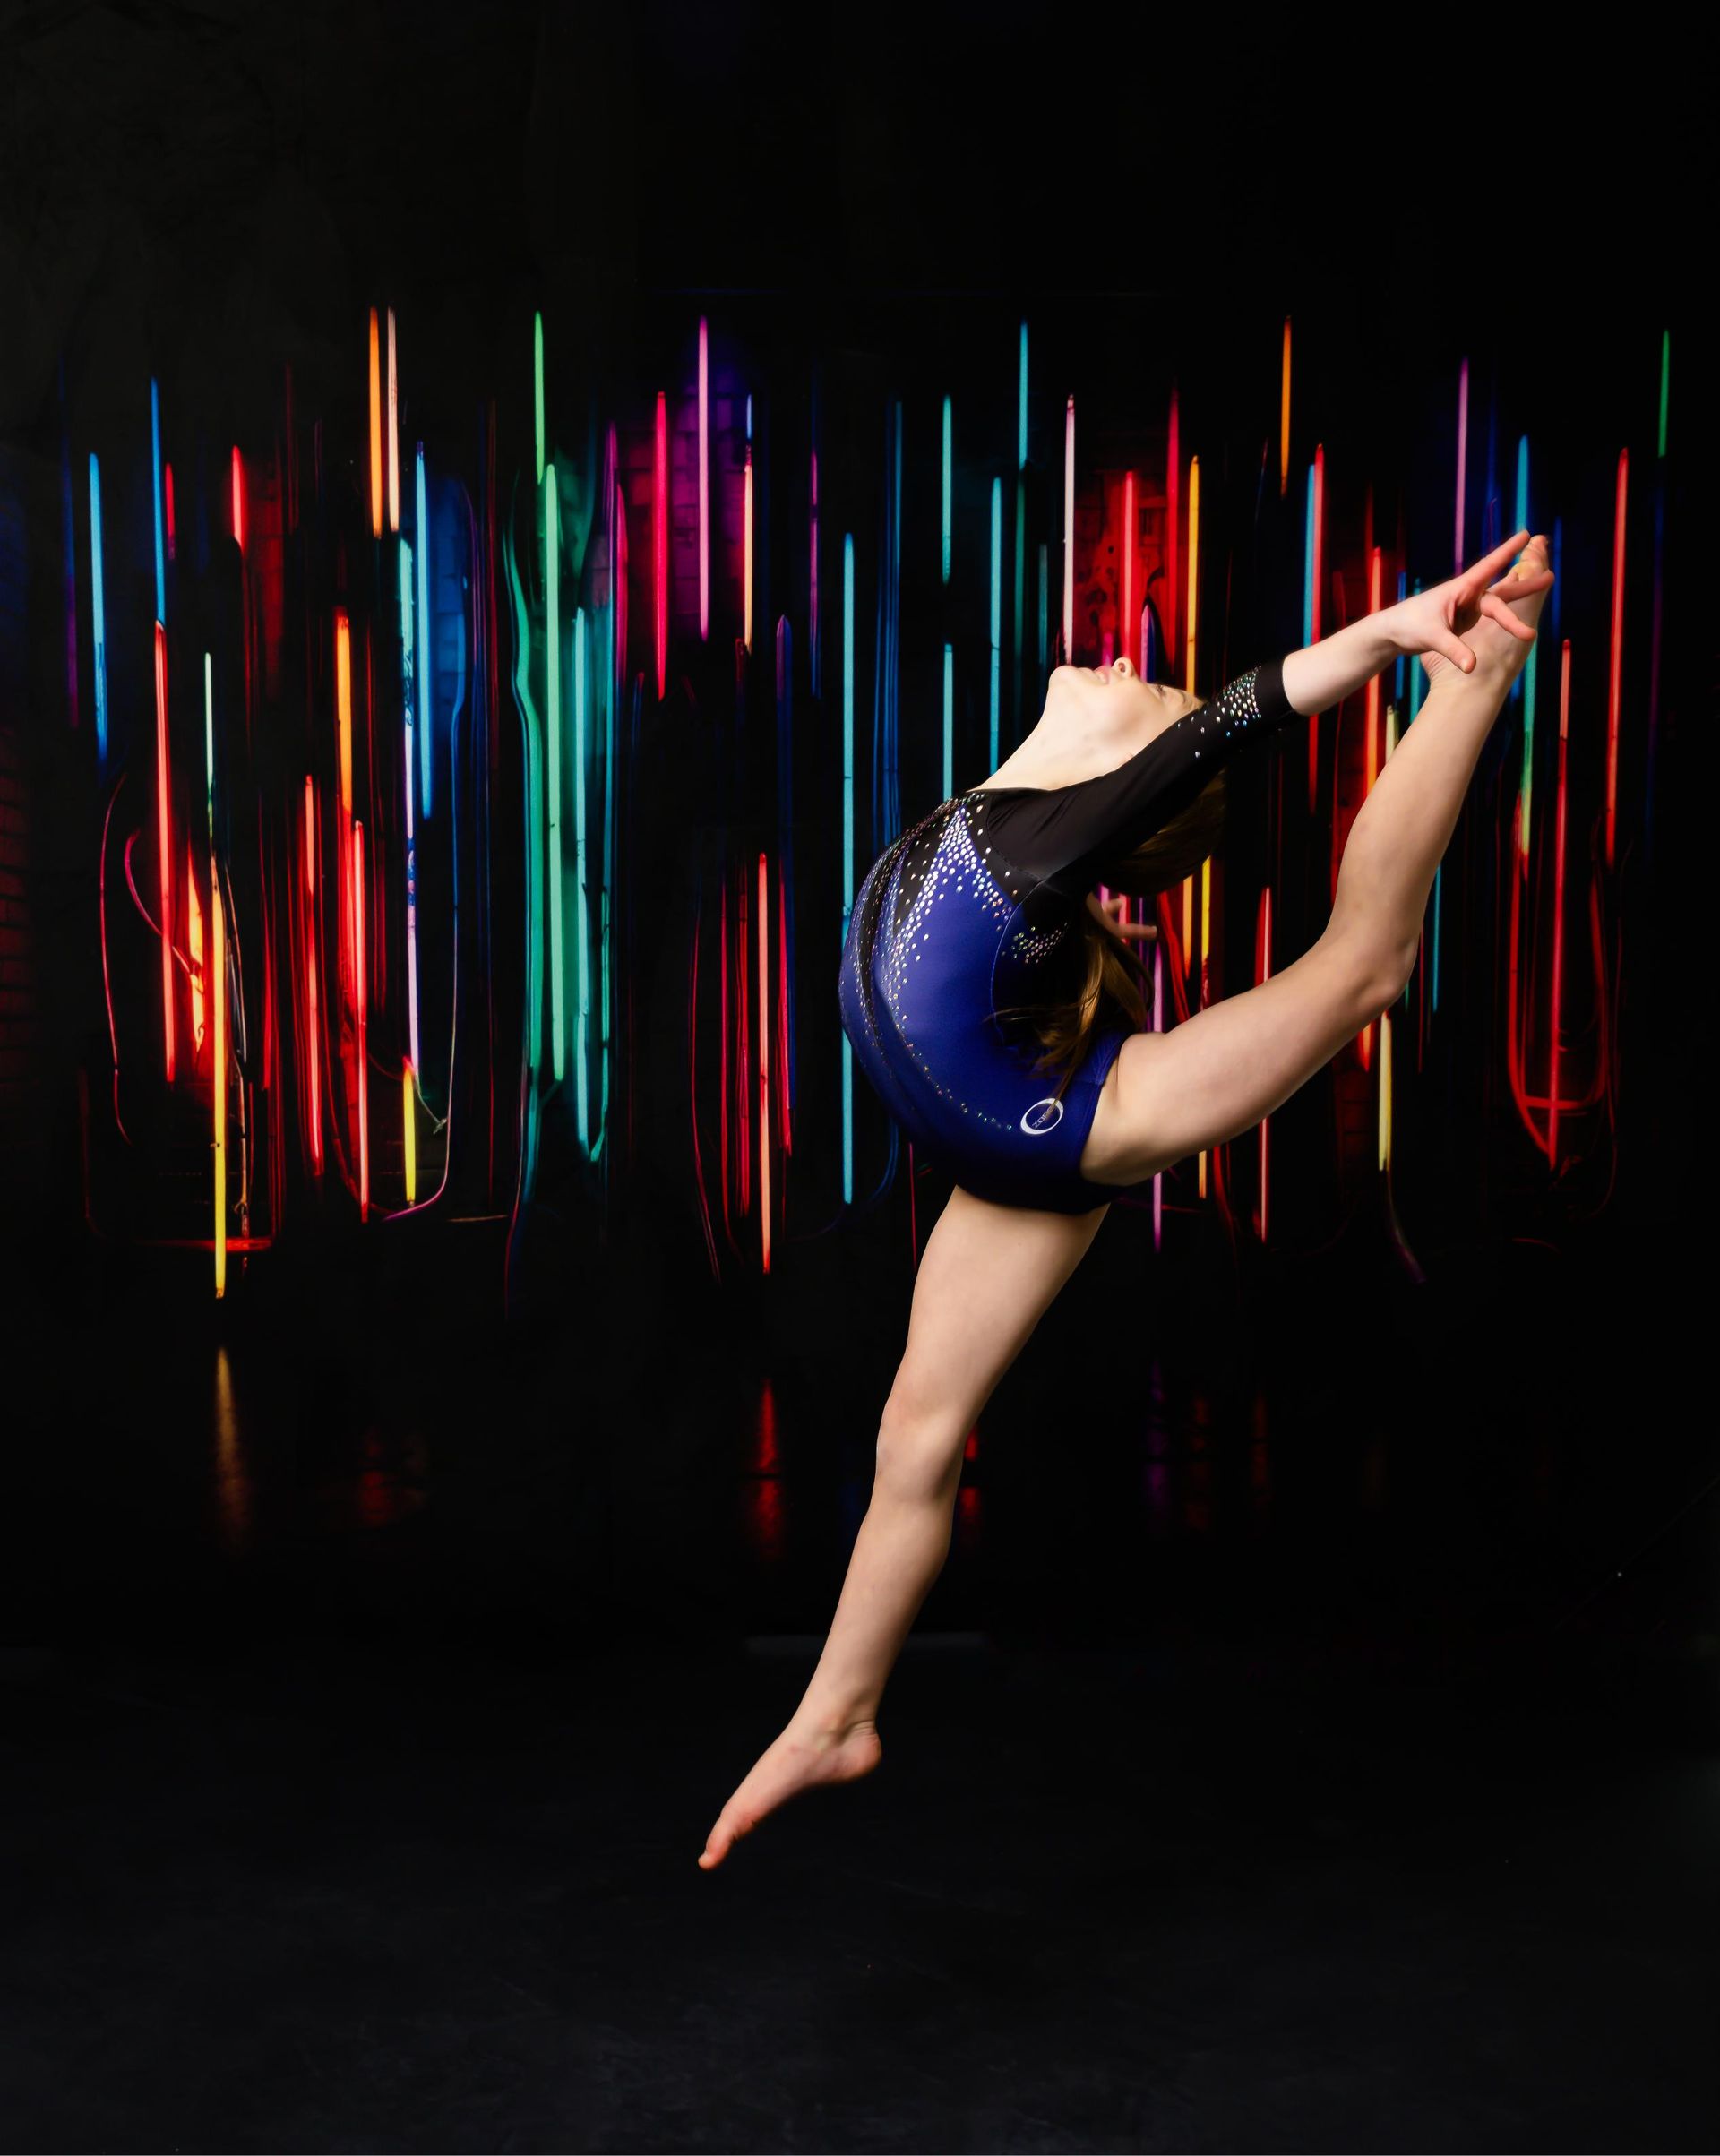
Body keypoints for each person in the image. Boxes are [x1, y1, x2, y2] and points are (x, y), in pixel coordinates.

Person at [698, 529, 1553, 1870]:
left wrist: (1406, 636)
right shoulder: (1001, 822)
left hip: (1081, 1125)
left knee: (1361, 973)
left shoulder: (1040, 831)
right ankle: (837, 1714)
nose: (1124, 662)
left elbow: (1244, 712)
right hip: (1010, 1151)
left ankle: (1483, 677)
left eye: (1147, 698)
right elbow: (1207, 726)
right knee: (913, 1439)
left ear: (1122, 784)